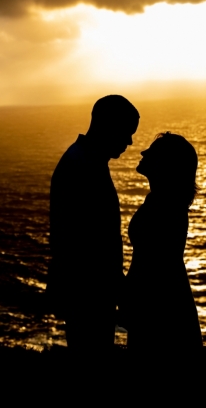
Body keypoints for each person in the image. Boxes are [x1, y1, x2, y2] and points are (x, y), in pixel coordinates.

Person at [47, 94, 139, 361]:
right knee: (90, 360)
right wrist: (114, 285)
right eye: (127, 132)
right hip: (88, 290)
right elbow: (81, 240)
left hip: (91, 288)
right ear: (109, 126)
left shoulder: (86, 161)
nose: (130, 141)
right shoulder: (81, 166)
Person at [124, 132, 202, 355]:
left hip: (161, 308)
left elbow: (156, 265)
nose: (143, 152)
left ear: (167, 164)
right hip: (159, 302)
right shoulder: (158, 199)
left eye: (153, 151)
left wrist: (132, 298)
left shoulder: (166, 206)